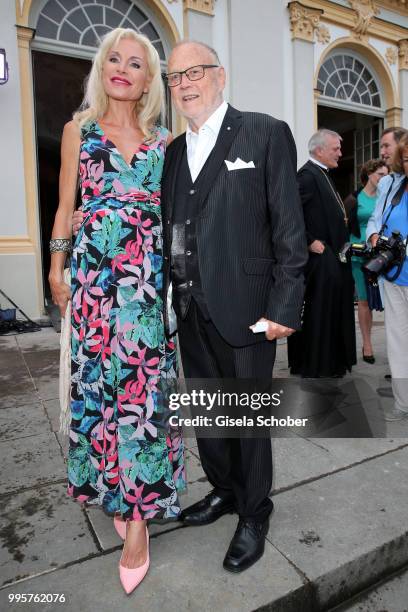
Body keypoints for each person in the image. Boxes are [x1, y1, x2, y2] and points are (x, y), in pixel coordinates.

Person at [161, 40, 307, 573]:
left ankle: (254, 510)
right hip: (190, 307)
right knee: (208, 411)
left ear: (220, 76)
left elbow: (290, 228)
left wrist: (285, 305)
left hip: (247, 307)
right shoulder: (174, 151)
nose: (184, 84)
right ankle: (224, 490)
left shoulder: (264, 132)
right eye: (175, 77)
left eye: (194, 72)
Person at [49, 28, 185, 594]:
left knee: (143, 396)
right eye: (114, 60)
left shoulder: (164, 141)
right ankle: (115, 487)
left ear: (149, 79)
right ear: (101, 68)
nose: (123, 69)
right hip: (93, 283)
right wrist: (56, 269)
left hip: (148, 287)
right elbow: (66, 205)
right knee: (102, 391)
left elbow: (179, 217)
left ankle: (139, 521)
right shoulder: (77, 131)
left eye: (136, 63)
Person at [287, 129, 356, 378]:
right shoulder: (306, 176)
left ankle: (332, 363)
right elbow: (289, 214)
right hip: (318, 262)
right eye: (336, 148)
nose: (340, 153)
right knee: (318, 314)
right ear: (319, 150)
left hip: (333, 259)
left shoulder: (323, 174)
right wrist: (308, 241)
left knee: (331, 313)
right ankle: (315, 365)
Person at [369, 133, 408, 421]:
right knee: (396, 341)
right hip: (394, 276)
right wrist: (373, 235)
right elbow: (376, 219)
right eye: (405, 159)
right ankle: (403, 403)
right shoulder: (391, 184)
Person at [344, 159, 389, 363]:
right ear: (369, 174)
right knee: (363, 301)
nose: (383, 178)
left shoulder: (387, 197)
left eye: (386, 174)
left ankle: (395, 346)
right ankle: (367, 345)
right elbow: (344, 225)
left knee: (390, 301)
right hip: (359, 255)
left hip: (382, 255)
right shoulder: (354, 198)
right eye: (380, 174)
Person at [366, 128, 407, 247]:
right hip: (387, 259)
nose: (382, 152)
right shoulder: (385, 182)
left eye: (386, 146)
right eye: (381, 147)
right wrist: (373, 235)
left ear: (401, 147)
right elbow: (375, 217)